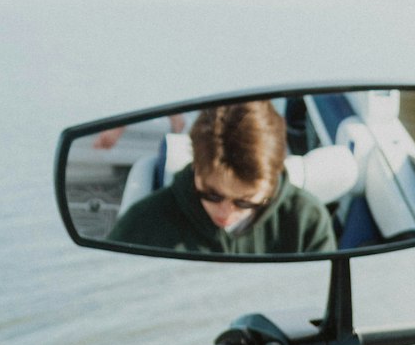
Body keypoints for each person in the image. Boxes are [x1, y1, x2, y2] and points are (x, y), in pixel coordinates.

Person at [108, 101, 336, 255]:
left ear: (271, 182)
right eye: (212, 194)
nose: (225, 213)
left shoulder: (308, 220)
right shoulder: (142, 222)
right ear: (196, 165)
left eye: (244, 201)